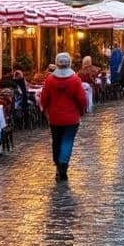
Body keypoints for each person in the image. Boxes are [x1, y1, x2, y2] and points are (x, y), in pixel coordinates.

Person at [40, 52, 88, 181]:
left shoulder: (50, 80)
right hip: (71, 118)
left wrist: (44, 109)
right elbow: (82, 98)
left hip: (55, 117)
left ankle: (58, 165)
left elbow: (44, 98)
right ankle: (63, 165)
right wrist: (82, 110)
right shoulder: (75, 79)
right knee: (67, 141)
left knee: (56, 141)